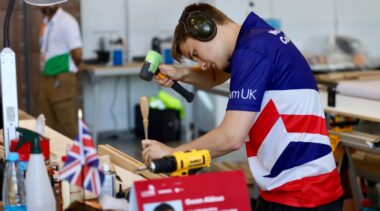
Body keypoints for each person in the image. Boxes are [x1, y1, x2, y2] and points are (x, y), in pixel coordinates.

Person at [141, 3, 344, 211]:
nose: (200, 64)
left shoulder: (252, 52)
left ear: (207, 29)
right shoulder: (256, 37)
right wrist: (180, 73)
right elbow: (214, 75)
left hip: (303, 194)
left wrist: (173, 155)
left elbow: (231, 137)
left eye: (195, 52)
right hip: (287, 188)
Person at [38, 5, 82, 139]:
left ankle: (76, 158)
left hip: (62, 79)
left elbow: (77, 54)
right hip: (46, 78)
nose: (46, 4)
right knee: (46, 125)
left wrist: (68, 72)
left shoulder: (67, 21)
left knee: (67, 125)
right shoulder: (46, 22)